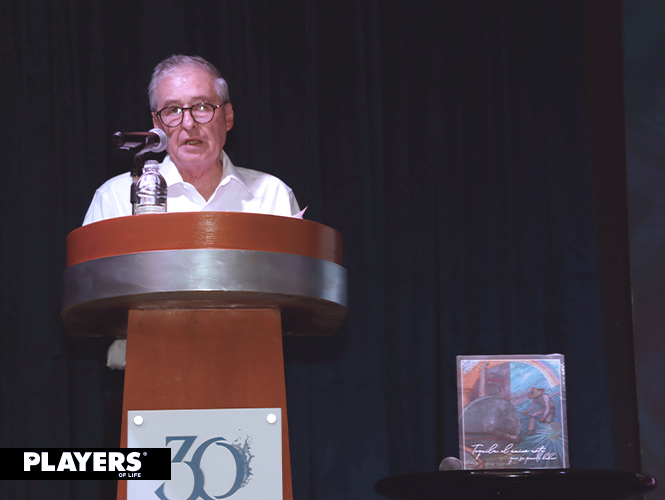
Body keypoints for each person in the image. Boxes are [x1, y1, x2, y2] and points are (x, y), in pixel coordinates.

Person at [84, 55, 303, 368]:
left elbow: (297, 298)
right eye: (173, 110)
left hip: (252, 371)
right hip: (145, 371)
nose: (188, 123)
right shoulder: (116, 197)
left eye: (201, 106)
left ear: (227, 116)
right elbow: (91, 298)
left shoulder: (271, 195)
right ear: (157, 124)